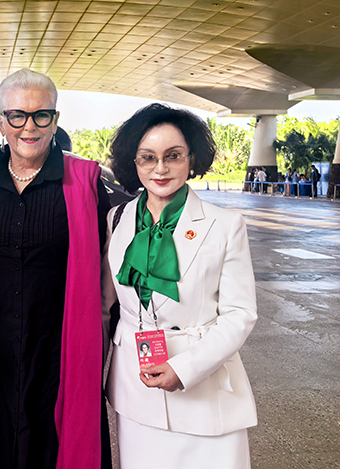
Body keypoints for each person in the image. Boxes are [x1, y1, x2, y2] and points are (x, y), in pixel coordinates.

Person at [0, 68, 112, 469]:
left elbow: (116, 254)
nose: (29, 126)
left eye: (41, 115)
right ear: (1, 122)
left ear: (55, 120)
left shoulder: (86, 185)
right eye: (17, 115)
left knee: (52, 447)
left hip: (58, 352)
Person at [102, 103, 257, 468]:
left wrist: (185, 368)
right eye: (148, 158)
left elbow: (240, 315)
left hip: (204, 390)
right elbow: (106, 304)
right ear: (133, 162)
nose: (160, 169)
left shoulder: (225, 224)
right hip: (136, 388)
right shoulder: (117, 218)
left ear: (192, 159)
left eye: (173, 156)